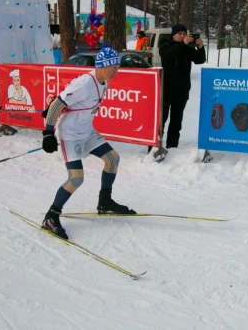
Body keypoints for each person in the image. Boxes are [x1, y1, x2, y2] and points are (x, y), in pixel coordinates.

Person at [40, 45, 135, 239]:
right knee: (76, 178)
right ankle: (52, 215)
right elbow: (59, 102)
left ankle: (105, 202)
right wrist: (48, 133)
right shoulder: (86, 83)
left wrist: (57, 106)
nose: (117, 71)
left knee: (113, 159)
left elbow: (68, 103)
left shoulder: (103, 82)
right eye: (114, 67)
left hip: (87, 132)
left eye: (118, 67)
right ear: (103, 65)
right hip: (70, 135)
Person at [158, 24, 206, 149]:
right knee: (161, 120)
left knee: (176, 121)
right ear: (173, 35)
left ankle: (172, 147)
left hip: (182, 90)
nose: (182, 36)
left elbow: (200, 60)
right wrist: (182, 44)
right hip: (166, 90)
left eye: (184, 34)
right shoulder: (165, 45)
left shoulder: (187, 48)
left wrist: (201, 47)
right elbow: (167, 55)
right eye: (179, 34)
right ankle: (155, 146)